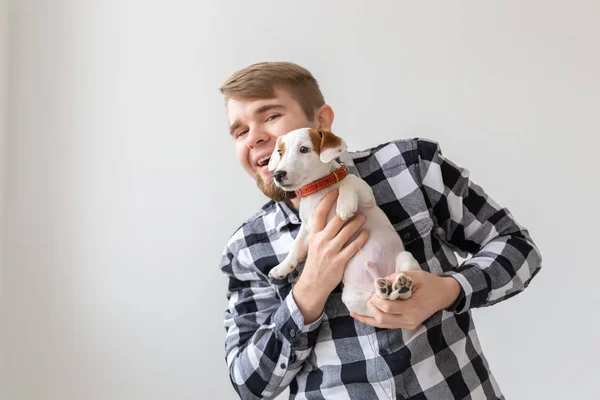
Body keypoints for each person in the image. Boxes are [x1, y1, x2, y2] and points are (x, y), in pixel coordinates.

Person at [219, 61, 542, 400]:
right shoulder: (247, 248)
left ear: (322, 122)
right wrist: (309, 288)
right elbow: (249, 383)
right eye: (240, 131)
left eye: (270, 116)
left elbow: (517, 247)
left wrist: (448, 290)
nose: (254, 136)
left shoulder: (412, 168)